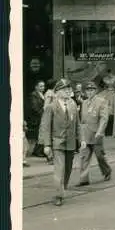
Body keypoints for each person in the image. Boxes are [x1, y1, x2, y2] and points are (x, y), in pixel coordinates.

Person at [38, 78, 80, 206]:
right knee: (59, 169)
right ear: (57, 91)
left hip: (71, 143)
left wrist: (81, 139)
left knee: (68, 168)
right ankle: (58, 194)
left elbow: (78, 124)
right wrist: (46, 145)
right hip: (57, 143)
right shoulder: (51, 106)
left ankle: (62, 187)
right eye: (64, 89)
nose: (68, 91)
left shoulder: (72, 104)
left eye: (69, 89)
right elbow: (45, 126)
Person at [77, 81, 112, 186]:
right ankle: (84, 179)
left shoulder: (101, 101)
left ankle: (107, 171)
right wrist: (81, 134)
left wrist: (100, 131)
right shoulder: (84, 103)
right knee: (84, 156)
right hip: (86, 134)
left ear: (95, 91)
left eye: (91, 90)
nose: (89, 92)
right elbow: (82, 120)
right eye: (88, 90)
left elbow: (104, 118)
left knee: (99, 155)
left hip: (96, 134)